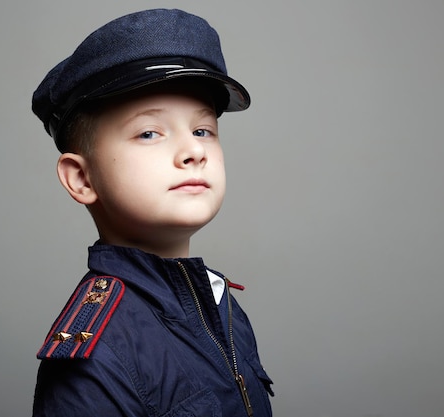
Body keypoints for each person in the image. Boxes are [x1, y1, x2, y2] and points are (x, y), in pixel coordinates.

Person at [30, 8, 274, 417]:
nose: (194, 151)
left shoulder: (222, 307)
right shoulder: (98, 353)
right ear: (81, 179)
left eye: (203, 131)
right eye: (149, 133)